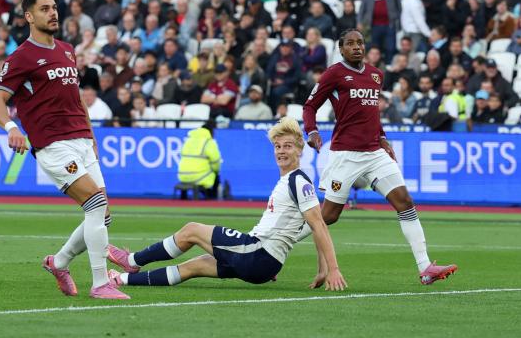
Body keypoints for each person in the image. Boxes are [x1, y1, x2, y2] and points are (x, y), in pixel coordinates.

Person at [0, 0, 128, 300]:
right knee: (95, 204)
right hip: (52, 144)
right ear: (29, 16)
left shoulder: (66, 49)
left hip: (81, 138)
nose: (52, 13)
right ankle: (101, 283)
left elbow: (76, 96)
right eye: (44, 9)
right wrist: (12, 127)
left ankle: (59, 262)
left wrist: (91, 135)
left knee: (102, 214)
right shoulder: (21, 57)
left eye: (54, 7)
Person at [105, 118, 346, 291]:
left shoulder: (297, 180)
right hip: (262, 261)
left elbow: (319, 225)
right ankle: (123, 280)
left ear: (300, 150)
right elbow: (314, 226)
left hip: (258, 254)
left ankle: (133, 260)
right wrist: (323, 269)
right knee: (194, 266)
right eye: (277, 146)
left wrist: (333, 269)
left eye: (288, 146)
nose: (281, 151)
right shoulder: (290, 181)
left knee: (191, 230)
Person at [302, 28, 457, 285]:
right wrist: (312, 130)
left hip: (374, 152)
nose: (356, 47)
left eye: (360, 43)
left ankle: (425, 267)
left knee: (405, 201)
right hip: (346, 154)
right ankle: (274, 246)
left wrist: (383, 138)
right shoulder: (334, 74)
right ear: (341, 49)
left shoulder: (376, 75)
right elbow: (310, 106)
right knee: (328, 216)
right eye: (350, 44)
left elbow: (371, 113)